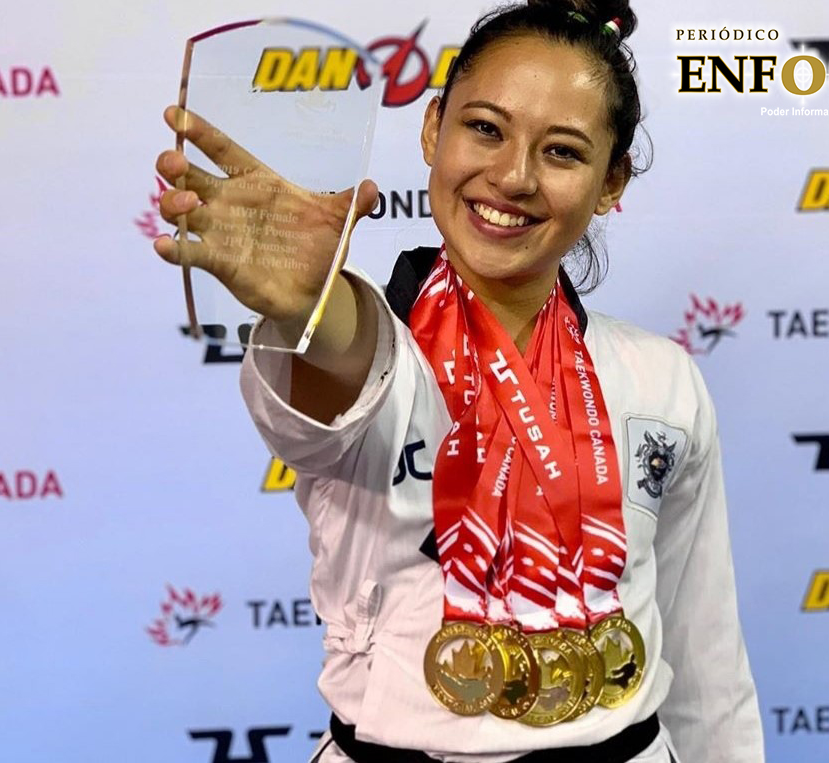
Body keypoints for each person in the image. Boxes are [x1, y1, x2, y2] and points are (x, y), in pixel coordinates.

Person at [152, 1, 764, 761]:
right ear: (431, 127)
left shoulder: (662, 377)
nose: (512, 176)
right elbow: (342, 362)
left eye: (563, 152)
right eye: (484, 128)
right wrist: (316, 303)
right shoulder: (369, 339)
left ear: (612, 182)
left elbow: (706, 661)